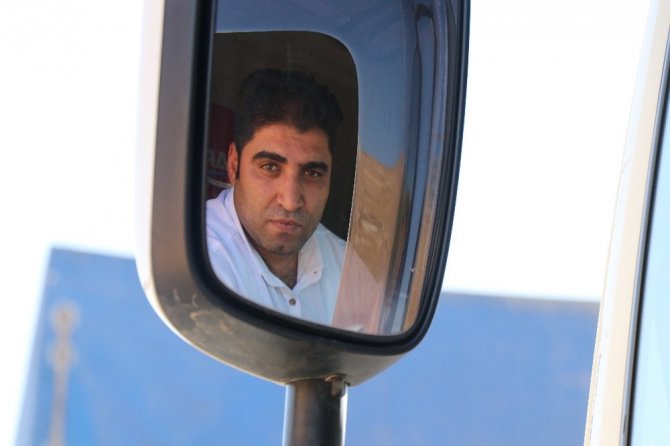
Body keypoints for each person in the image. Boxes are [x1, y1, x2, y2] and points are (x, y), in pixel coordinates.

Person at [206, 69, 345, 326]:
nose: (290, 202)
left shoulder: (346, 266)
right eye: (270, 167)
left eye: (312, 173)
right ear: (234, 165)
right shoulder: (201, 260)